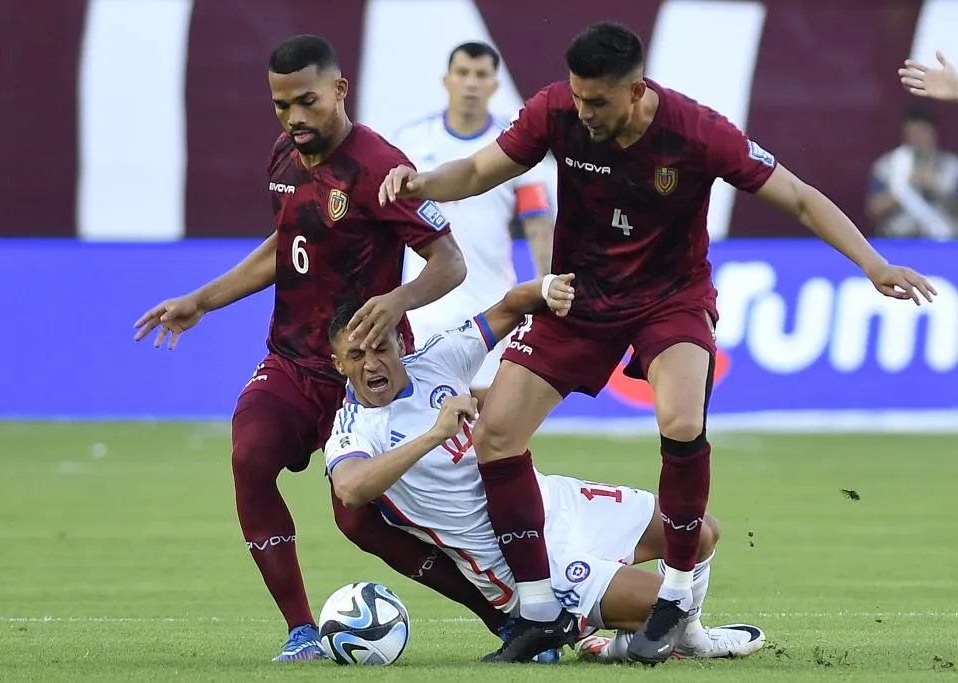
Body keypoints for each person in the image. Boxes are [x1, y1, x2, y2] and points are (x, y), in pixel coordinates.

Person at [378, 21, 938, 664]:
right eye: (577, 96)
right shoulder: (556, 109)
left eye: (597, 102)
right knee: (496, 437)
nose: (582, 111)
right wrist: (422, 183)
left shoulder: (698, 131)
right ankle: (536, 611)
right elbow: (480, 169)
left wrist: (874, 265)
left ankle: (675, 593)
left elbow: (801, 200)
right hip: (580, 297)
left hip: (671, 300)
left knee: (679, 419)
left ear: (637, 90)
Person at [132, 34, 513, 663]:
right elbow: (284, 246)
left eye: (307, 102)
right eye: (281, 105)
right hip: (292, 360)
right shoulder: (286, 154)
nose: (294, 118)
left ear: (339, 91)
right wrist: (204, 299)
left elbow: (449, 264)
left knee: (359, 520)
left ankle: (500, 619)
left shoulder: (380, 168)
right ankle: (301, 632)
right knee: (251, 456)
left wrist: (397, 301)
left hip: (365, 374)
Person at [322, 277, 765, 663]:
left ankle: (686, 637)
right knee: (661, 607)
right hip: (515, 562)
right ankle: (615, 646)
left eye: (381, 347)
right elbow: (350, 489)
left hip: (551, 502)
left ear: (401, 343)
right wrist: (434, 435)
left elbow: (509, 307)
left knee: (701, 531)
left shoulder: (438, 361)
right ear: (339, 364)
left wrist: (548, 285)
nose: (372, 363)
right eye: (356, 355)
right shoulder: (354, 428)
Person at [392, 42, 554, 404]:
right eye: (463, 73)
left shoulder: (515, 146)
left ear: (494, 84)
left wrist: (546, 280)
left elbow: (537, 221)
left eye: (481, 75)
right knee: (418, 413)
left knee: (486, 422)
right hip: (423, 305)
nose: (470, 84)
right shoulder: (411, 141)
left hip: (490, 303)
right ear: (446, 80)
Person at [867, 105, 958, 239]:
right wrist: (904, 188)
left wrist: (937, 188)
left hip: (945, 242)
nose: (917, 139)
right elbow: (873, 210)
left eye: (922, 132)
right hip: (898, 241)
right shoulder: (886, 165)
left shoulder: (953, 166)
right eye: (912, 134)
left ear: (934, 133)